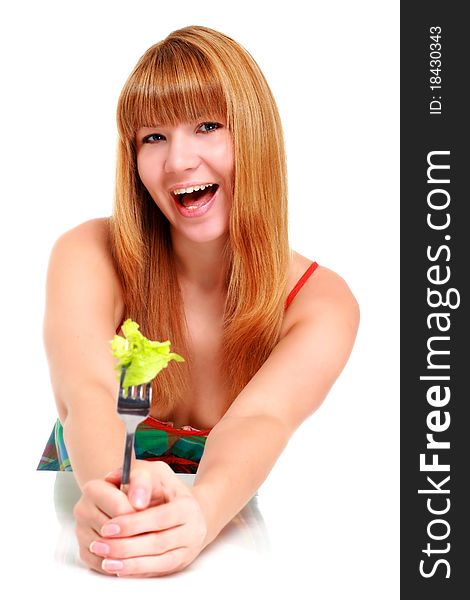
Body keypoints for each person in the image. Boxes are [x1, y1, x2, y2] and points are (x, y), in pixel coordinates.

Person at [38, 25, 359, 577]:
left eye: (208, 126)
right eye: (152, 137)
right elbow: (85, 392)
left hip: (222, 545)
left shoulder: (320, 305)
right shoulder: (88, 253)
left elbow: (262, 419)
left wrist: (201, 514)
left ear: (255, 136)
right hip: (77, 527)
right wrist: (116, 485)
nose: (179, 161)